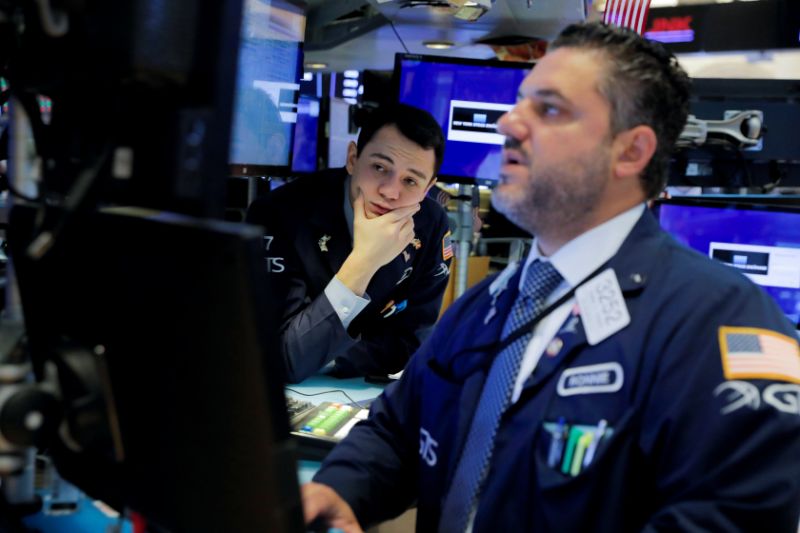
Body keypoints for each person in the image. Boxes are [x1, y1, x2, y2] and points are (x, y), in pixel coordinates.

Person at [302, 22, 800, 532]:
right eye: (521, 104)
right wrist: (342, 490)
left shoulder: (720, 323)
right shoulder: (490, 303)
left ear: (631, 151)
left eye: (550, 109)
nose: (510, 124)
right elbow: (399, 430)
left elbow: (730, 517)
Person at [246, 103, 452, 383]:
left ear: (428, 188)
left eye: (411, 181)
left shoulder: (431, 226)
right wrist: (363, 262)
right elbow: (279, 358)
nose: (390, 191)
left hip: (355, 394)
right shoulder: (279, 213)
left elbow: (406, 346)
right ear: (353, 158)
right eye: (379, 167)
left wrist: (318, 348)